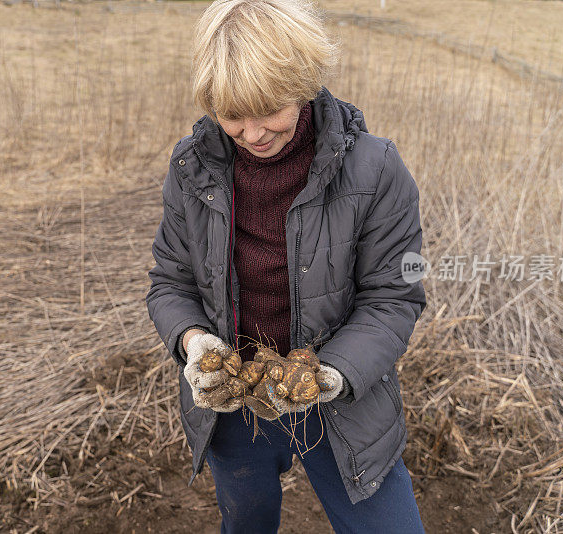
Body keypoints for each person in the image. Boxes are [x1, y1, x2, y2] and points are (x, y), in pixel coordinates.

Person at [145, 0, 427, 531]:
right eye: (233, 115)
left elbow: (393, 297)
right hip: (233, 404)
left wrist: (331, 376)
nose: (252, 134)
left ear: (304, 81)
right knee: (246, 521)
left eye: (269, 108)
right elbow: (170, 282)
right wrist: (193, 342)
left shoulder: (375, 170)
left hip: (343, 403)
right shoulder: (191, 168)